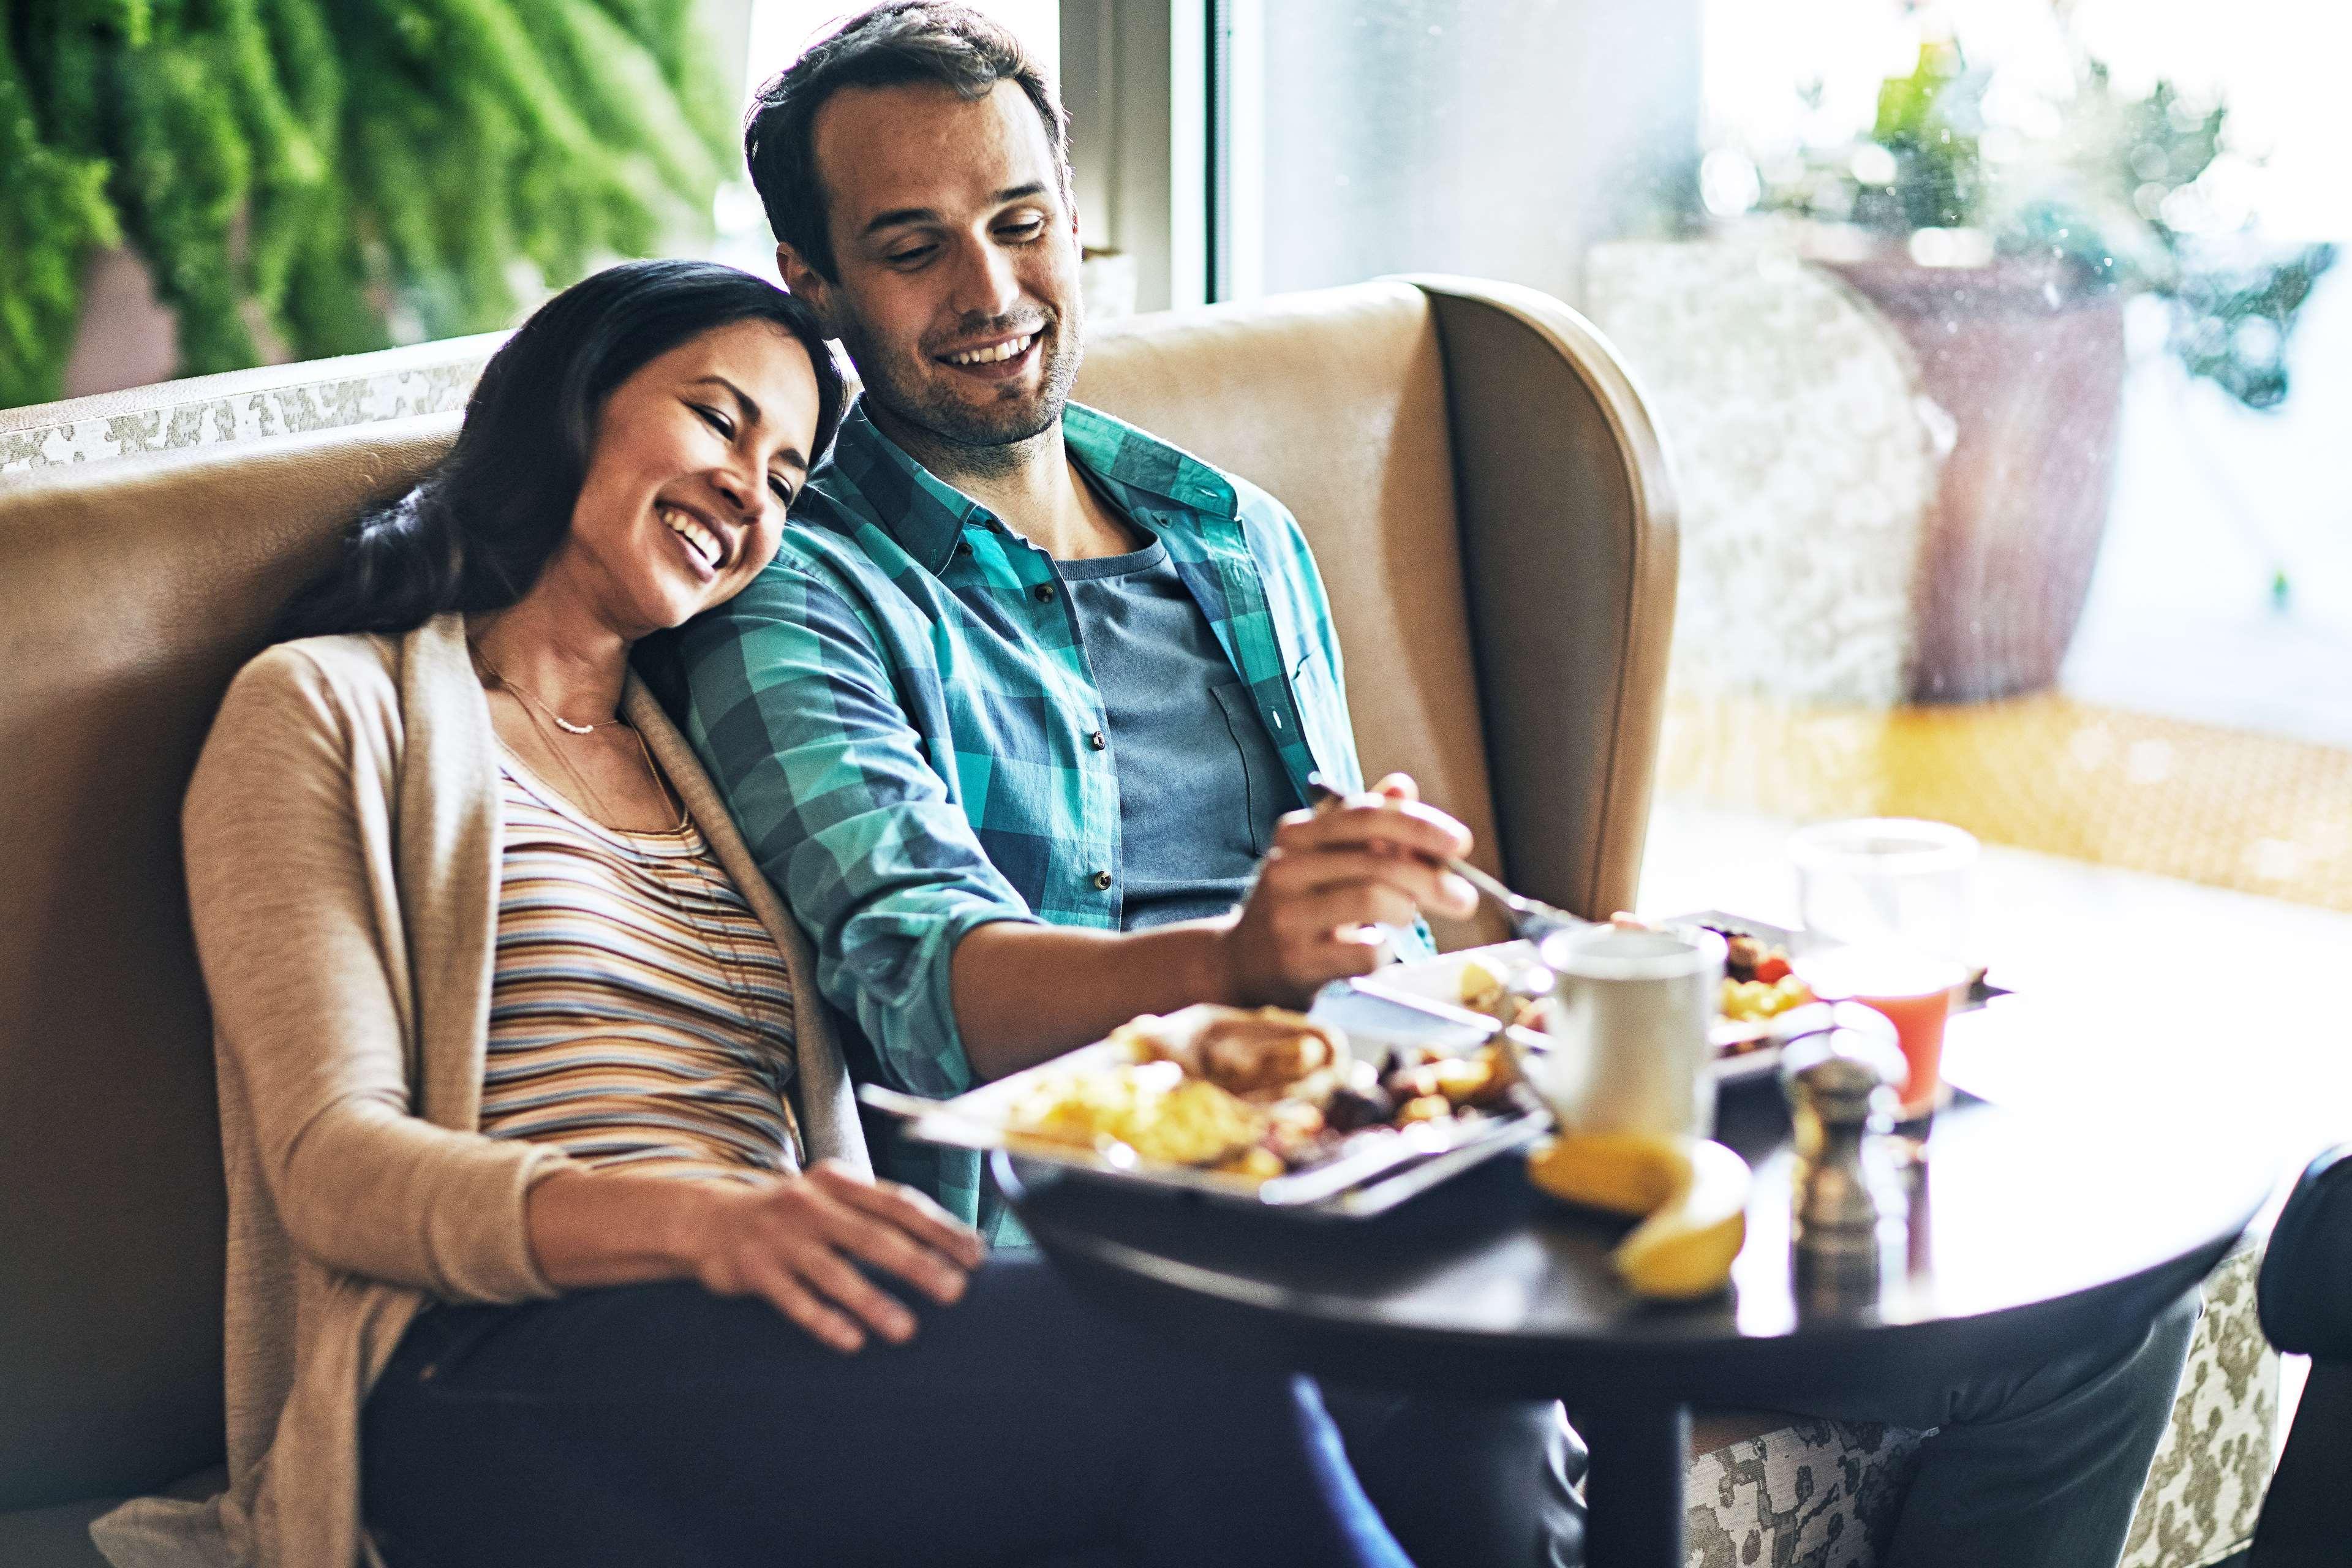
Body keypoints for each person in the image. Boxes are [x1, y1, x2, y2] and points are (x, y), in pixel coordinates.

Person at [659, 7, 2201, 1567]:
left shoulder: (1228, 532)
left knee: (2097, 1315)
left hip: (1426, 1152)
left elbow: (1390, 956)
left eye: (1022, 221)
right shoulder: (798, 599)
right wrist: (1237, 965)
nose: (991, 292)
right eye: (914, 247)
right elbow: (928, 987)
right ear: (816, 279)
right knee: (1475, 1421)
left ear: (1075, 217)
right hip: (1130, 1264)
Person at [90, 259, 1415, 1568]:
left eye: (787, 475)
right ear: (573, 399)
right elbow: (335, 1167)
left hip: (762, 1314)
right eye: (720, 420)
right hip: (481, 1360)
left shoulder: (701, 758)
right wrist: (710, 1223)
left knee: (1363, 1357)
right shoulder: (326, 708)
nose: (748, 487)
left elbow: (920, 940)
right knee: (1182, 1361)